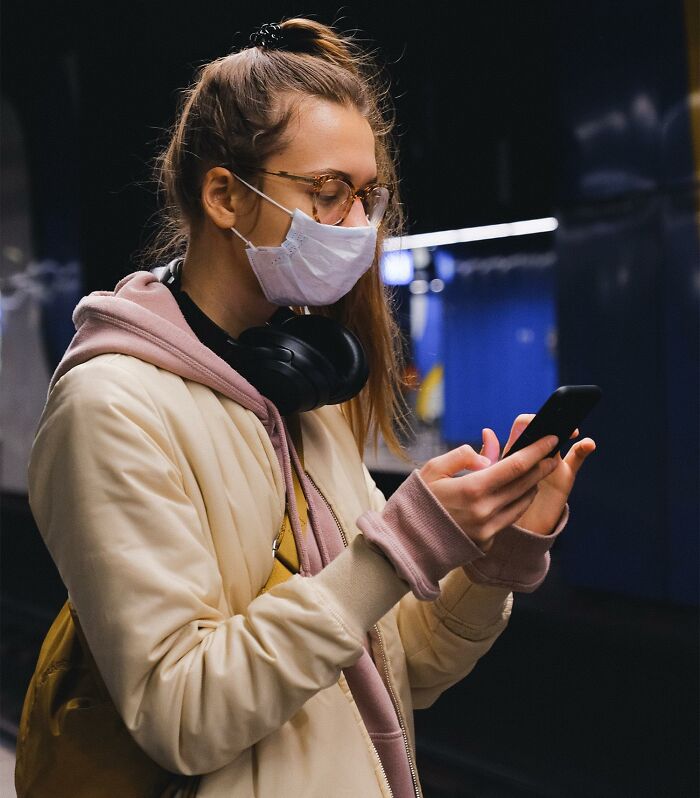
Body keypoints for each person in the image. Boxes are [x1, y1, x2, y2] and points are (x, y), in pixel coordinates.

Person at [25, 17, 596, 798]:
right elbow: (183, 711)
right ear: (224, 195)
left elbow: (401, 667)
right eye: (329, 194)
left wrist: (491, 560)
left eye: (368, 196)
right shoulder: (112, 407)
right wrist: (400, 545)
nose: (358, 226)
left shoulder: (296, 393)